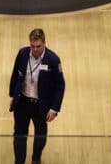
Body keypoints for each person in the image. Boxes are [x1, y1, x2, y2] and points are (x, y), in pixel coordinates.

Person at [9, 28, 65, 164]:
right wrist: (12, 95)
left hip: (41, 105)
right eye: (32, 46)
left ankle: (36, 158)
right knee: (19, 136)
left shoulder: (53, 59)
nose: (35, 50)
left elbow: (60, 85)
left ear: (44, 44)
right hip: (22, 102)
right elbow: (15, 74)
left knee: (40, 135)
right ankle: (19, 161)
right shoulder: (22, 53)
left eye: (38, 46)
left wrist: (54, 109)